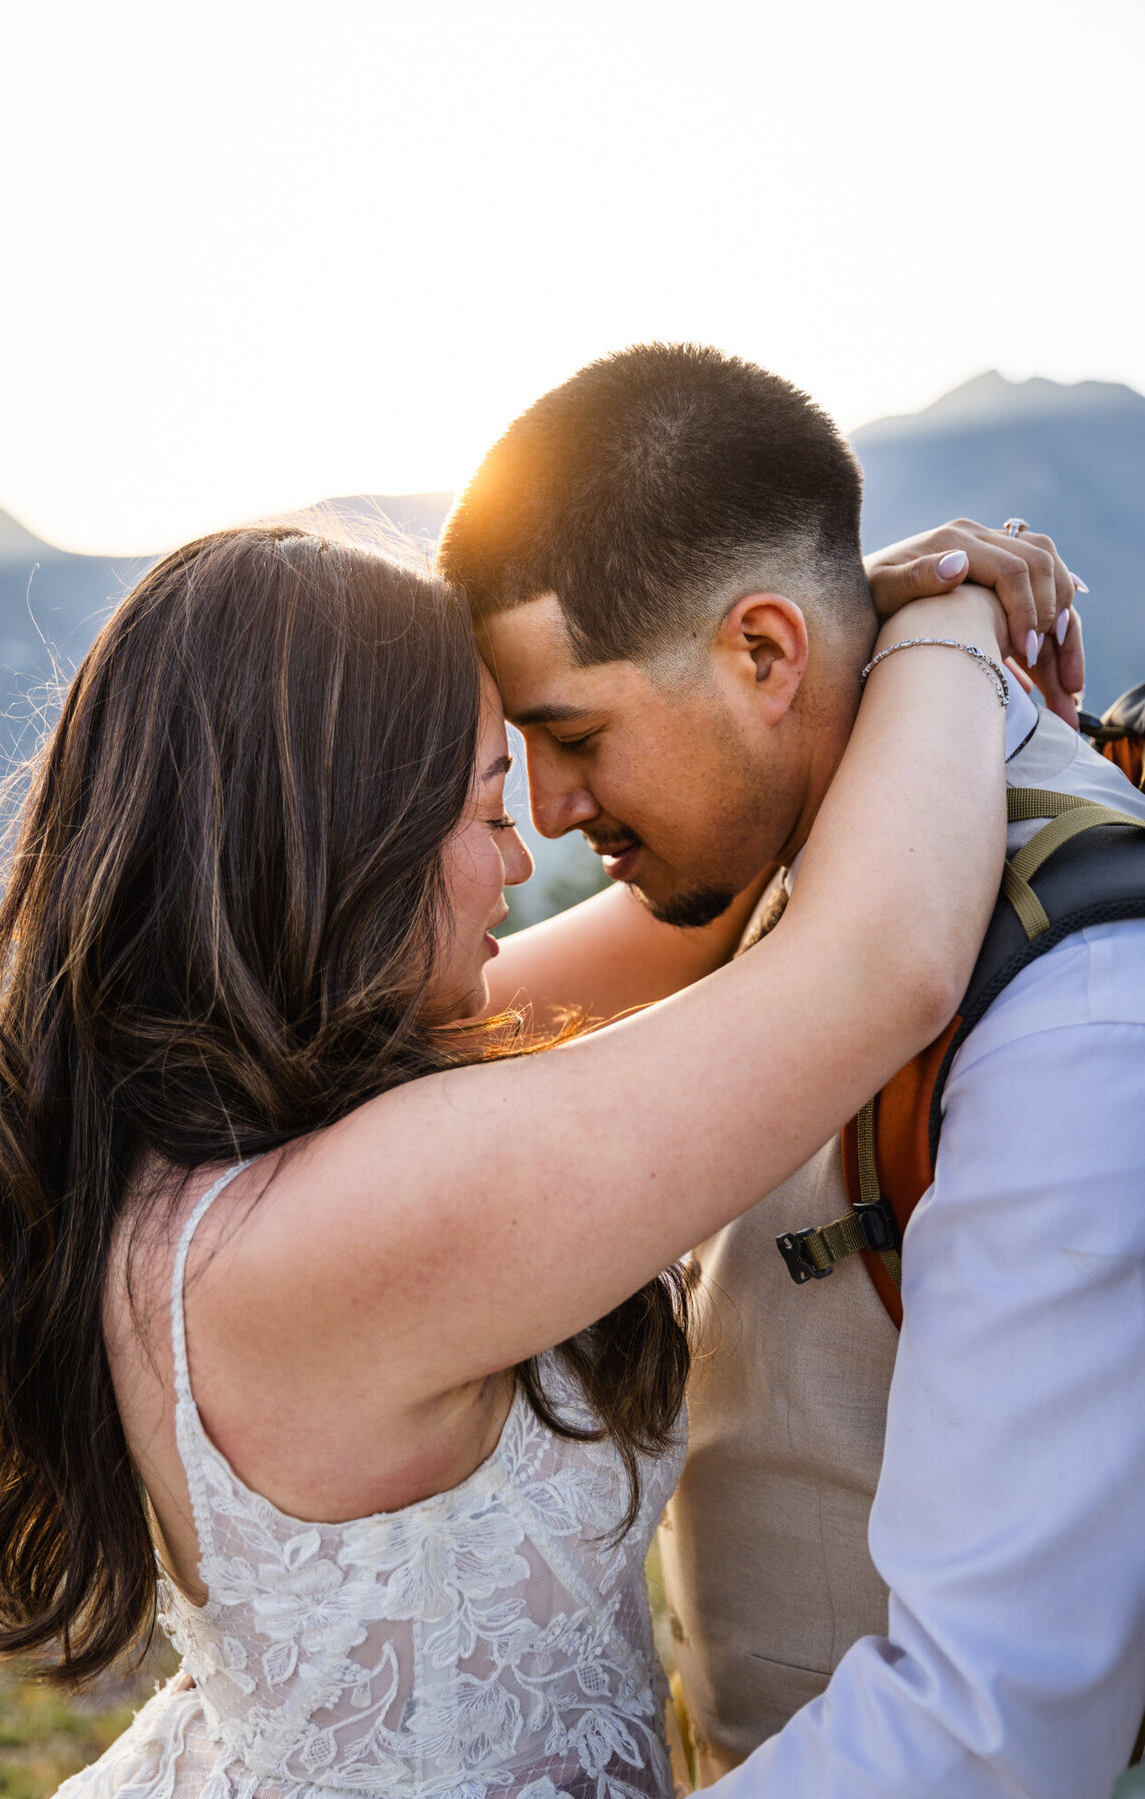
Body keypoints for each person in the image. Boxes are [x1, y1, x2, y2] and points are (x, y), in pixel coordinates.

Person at [0, 524, 1012, 1799]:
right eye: (485, 810)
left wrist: (813, 637)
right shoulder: (345, 1222)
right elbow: (881, 962)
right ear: (336, 839)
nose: (520, 861)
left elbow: (696, 902)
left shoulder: (230, 1120)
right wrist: (962, 630)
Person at [438, 342, 1145, 1799]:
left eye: (574, 737)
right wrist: (918, 616)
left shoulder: (1071, 1020)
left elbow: (989, 1724)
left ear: (766, 655)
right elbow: (463, 1031)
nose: (554, 815)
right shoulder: (771, 834)